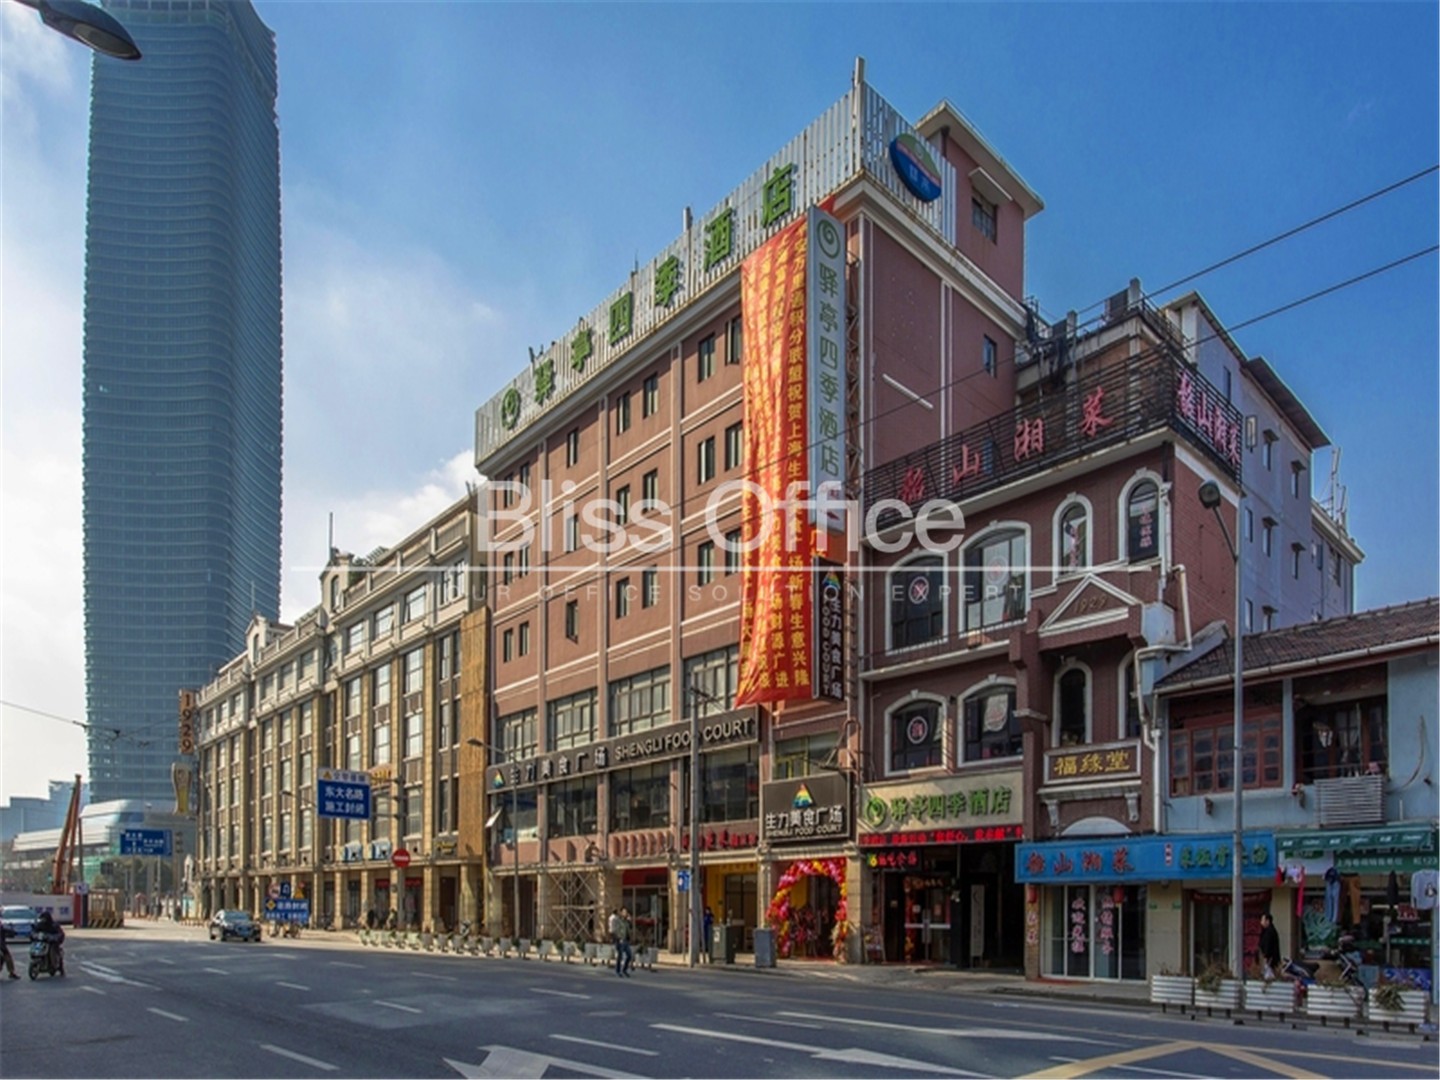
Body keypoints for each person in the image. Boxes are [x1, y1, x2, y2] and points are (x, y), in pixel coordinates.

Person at [1257, 911, 1281, 980]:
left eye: (1262, 920)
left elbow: (1268, 946)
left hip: (1269, 962)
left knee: (1269, 977)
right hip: (1270, 960)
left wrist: (1265, 957)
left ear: (1267, 921)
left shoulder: (1269, 932)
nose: (1261, 922)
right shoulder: (1268, 931)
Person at [615, 908, 633, 977]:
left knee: (629, 955)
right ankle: (618, 971)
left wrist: (630, 921)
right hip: (621, 940)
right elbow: (616, 930)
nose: (625, 913)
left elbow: (630, 929)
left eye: (626, 912)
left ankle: (624, 969)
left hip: (626, 940)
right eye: (624, 912)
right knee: (620, 956)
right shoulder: (618, 921)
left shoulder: (626, 921)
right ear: (621, 913)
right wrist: (619, 938)